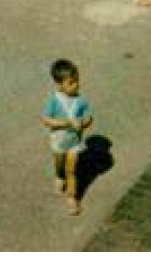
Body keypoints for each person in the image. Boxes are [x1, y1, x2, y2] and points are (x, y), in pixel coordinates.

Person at [40, 59, 93, 217]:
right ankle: (58, 175)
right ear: (60, 85)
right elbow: (45, 119)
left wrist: (83, 124)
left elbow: (89, 117)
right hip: (59, 140)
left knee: (71, 170)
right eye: (71, 83)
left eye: (77, 81)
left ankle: (72, 198)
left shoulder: (80, 101)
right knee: (59, 163)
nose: (75, 85)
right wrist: (66, 123)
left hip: (74, 142)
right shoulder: (55, 101)